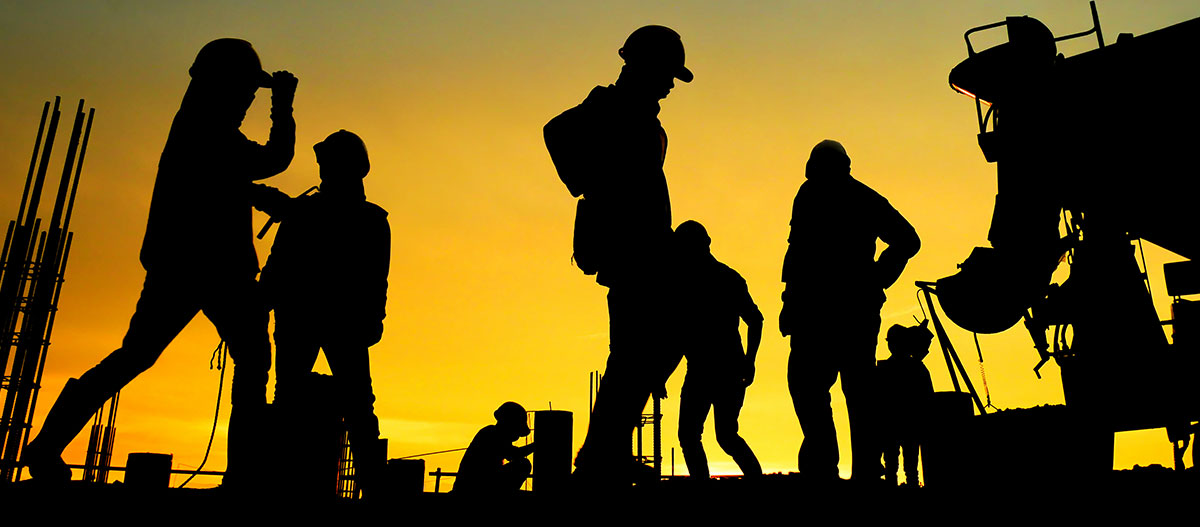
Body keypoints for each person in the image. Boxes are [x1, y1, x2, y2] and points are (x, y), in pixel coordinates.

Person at [22, 39, 295, 485]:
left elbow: (222, 182)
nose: (249, 99)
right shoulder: (205, 127)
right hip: (209, 269)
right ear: (222, 85)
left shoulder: (201, 128)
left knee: (143, 356)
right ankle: (244, 477)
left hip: (184, 267)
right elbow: (271, 160)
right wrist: (282, 107)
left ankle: (46, 446)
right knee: (245, 358)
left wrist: (266, 200)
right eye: (246, 90)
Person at [543, 25, 692, 485]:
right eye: (667, 73)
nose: (670, 84)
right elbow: (555, 131)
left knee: (645, 352)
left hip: (648, 249)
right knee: (636, 354)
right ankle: (601, 455)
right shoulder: (610, 106)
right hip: (629, 251)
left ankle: (605, 450)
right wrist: (592, 186)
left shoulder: (645, 118)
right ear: (642, 65)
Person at [251, 129, 390, 493]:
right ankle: (283, 485)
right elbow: (278, 268)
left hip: (327, 322)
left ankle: (278, 486)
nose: (324, 172)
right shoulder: (363, 219)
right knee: (338, 405)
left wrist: (260, 303)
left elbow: (376, 279)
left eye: (329, 165)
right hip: (319, 321)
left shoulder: (361, 219)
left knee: (346, 406)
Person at [780, 139, 920, 482]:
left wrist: (876, 281)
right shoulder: (807, 195)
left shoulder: (862, 198)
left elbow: (908, 240)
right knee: (809, 389)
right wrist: (790, 301)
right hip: (814, 314)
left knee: (856, 396)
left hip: (851, 314)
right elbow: (798, 254)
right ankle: (824, 466)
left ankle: (864, 474)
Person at [673, 221, 763, 480]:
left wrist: (749, 361)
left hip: (722, 369)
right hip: (711, 369)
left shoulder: (716, 280)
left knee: (716, 435)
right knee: (706, 435)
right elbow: (679, 336)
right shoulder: (703, 281)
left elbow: (755, 320)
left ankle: (754, 483)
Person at [877, 322, 934, 486]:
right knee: (905, 468)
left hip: (897, 425)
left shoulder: (884, 369)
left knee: (899, 468)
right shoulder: (917, 368)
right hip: (905, 425)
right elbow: (928, 398)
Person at [454, 401, 536, 495]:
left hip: (476, 485)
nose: (517, 436)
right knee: (523, 465)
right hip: (474, 487)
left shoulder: (490, 433)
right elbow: (514, 454)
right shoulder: (491, 434)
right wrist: (535, 446)